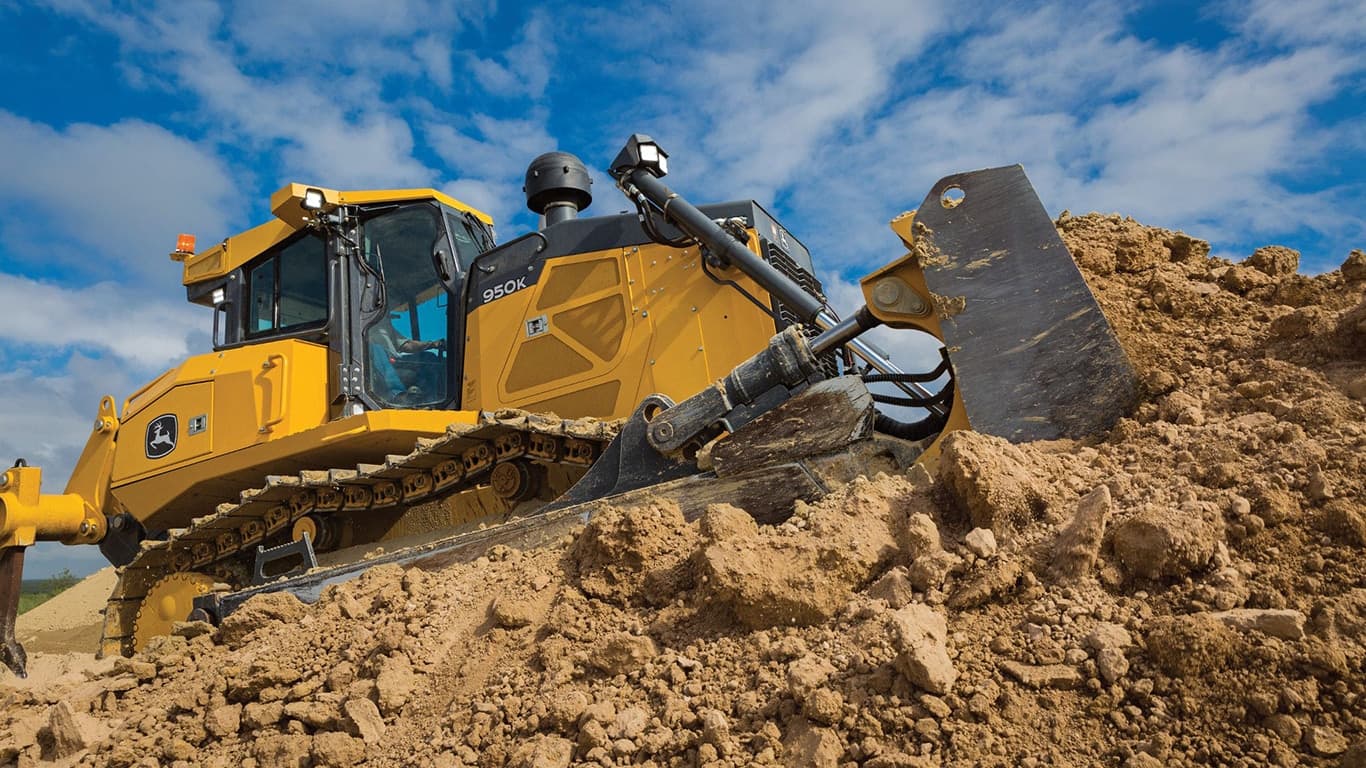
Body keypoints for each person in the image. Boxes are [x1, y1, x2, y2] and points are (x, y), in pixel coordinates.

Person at [368, 316, 445, 403]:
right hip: (375, 366)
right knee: (376, 348)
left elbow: (407, 345)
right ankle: (398, 395)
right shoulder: (361, 327)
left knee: (429, 357)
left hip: (396, 361)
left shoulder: (384, 327)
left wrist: (432, 344)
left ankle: (428, 399)